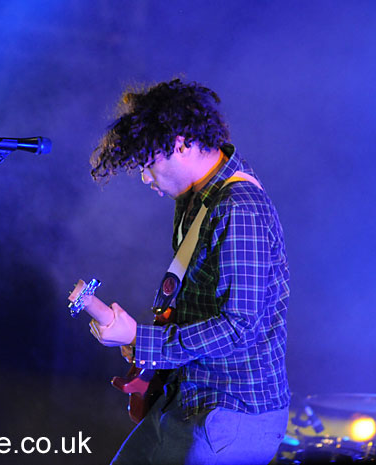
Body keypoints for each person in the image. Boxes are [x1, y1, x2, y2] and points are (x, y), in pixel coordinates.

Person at [88, 79, 291, 465]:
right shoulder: (198, 198)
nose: (146, 177)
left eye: (148, 163)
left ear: (181, 143)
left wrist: (142, 339)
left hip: (230, 411)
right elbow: (197, 306)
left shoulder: (239, 207)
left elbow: (239, 327)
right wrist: (142, 342)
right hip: (190, 398)